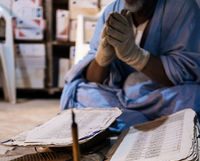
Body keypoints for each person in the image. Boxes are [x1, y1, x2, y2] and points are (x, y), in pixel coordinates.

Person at [60, 0, 200, 131]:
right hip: (117, 98)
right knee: (78, 91)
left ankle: (123, 123)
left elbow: (186, 73)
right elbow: (92, 78)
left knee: (193, 97)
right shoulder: (112, 10)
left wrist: (136, 56)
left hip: (156, 99)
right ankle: (140, 125)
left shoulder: (182, 8)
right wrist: (102, 58)